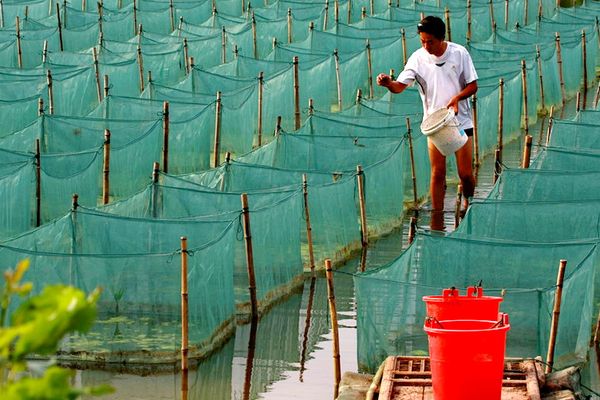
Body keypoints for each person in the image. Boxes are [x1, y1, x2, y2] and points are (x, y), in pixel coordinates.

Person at [376, 15, 477, 231]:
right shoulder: (417, 59)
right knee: (437, 172)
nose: (426, 45)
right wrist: (388, 83)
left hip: (460, 120)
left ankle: (469, 199)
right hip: (435, 124)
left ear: (441, 38)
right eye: (422, 41)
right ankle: (437, 218)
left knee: (465, 173)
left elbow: (473, 86)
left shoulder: (459, 53)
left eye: (430, 41)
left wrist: (457, 99)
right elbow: (399, 86)